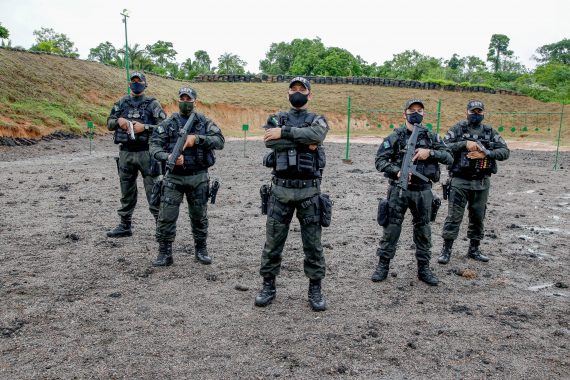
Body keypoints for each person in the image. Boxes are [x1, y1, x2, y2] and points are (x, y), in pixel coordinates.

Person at [255, 77, 330, 311]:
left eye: (302, 89)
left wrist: (284, 133)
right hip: (280, 190)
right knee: (273, 243)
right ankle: (268, 286)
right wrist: (303, 141)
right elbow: (270, 143)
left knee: (313, 245)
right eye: (293, 89)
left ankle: (315, 289)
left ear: (310, 94)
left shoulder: (318, 119)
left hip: (309, 191)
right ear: (288, 93)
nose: (297, 92)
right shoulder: (275, 118)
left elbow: (317, 136)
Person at [371, 99, 453, 286]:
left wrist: (429, 153)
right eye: (411, 110)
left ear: (424, 114)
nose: (415, 113)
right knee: (391, 229)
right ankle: (383, 265)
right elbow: (380, 161)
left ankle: (423, 269)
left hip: (423, 192)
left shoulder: (431, 137)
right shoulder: (395, 137)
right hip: (399, 190)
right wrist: (397, 171)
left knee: (423, 230)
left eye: (419, 110)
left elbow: (449, 157)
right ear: (404, 113)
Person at [149, 87, 224, 267]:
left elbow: (219, 140)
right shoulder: (168, 124)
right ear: (178, 101)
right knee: (166, 216)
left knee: (199, 216)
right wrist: (168, 157)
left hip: (198, 178)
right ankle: (165, 252)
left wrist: (196, 139)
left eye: (188, 99)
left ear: (194, 102)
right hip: (173, 178)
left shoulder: (203, 122)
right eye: (182, 98)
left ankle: (201, 249)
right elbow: (154, 146)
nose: (185, 101)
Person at [438, 100, 510, 264]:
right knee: (454, 217)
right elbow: (443, 146)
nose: (476, 114)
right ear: (467, 112)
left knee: (478, 217)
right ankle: (446, 250)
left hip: (481, 182)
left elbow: (505, 151)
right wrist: (465, 144)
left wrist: (486, 154)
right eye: (473, 111)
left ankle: (474, 249)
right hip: (459, 180)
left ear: (483, 113)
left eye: (479, 112)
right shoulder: (458, 129)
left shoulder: (490, 131)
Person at [106, 72, 166, 237]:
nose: (136, 83)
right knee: (126, 191)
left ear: (145, 84)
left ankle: (160, 228)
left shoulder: (153, 104)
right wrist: (119, 121)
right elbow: (109, 123)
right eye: (133, 81)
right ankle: (125, 225)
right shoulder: (121, 103)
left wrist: (144, 127)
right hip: (125, 153)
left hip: (147, 153)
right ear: (129, 83)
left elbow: (164, 127)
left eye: (139, 81)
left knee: (154, 191)